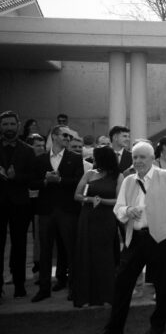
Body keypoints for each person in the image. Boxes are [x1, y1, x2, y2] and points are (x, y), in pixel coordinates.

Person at [91, 141, 166, 334]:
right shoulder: (128, 181)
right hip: (134, 238)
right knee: (122, 282)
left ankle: (158, 324)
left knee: (161, 284)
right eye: (135, 157)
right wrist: (128, 211)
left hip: (161, 238)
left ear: (153, 158)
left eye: (143, 157)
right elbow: (118, 208)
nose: (138, 161)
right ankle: (114, 326)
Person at [31, 124, 83, 302]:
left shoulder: (75, 158)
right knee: (44, 251)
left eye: (70, 137)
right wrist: (45, 181)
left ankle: (74, 288)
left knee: (71, 250)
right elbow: (32, 183)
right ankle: (44, 289)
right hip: (46, 211)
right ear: (54, 136)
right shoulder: (40, 159)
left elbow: (78, 182)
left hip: (68, 211)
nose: (68, 139)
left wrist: (60, 180)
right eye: (65, 136)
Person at [71, 145, 123, 307]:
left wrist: (102, 201)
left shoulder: (118, 176)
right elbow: (77, 195)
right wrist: (90, 200)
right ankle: (85, 297)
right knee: (86, 254)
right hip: (88, 218)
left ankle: (106, 296)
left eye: (96, 156)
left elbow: (119, 200)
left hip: (106, 219)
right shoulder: (89, 174)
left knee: (105, 256)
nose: (93, 159)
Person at [0, 110, 36, 299]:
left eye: (12, 124)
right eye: (5, 124)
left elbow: (33, 178)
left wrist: (17, 177)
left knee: (19, 244)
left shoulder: (27, 150)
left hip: (20, 203)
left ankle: (19, 284)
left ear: (18, 125)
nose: (8, 128)